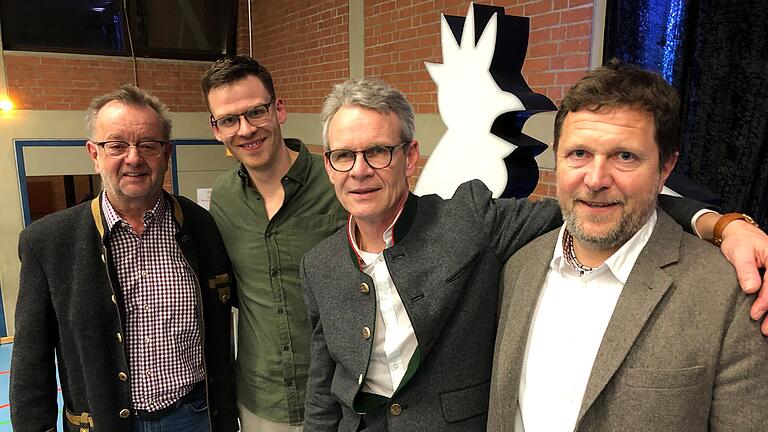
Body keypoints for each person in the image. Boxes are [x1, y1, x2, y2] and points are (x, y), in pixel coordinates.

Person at [299, 78, 768, 431]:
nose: (359, 171)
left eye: (379, 152)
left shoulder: (471, 222)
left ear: (410, 156)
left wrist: (720, 223)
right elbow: (324, 382)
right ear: (329, 164)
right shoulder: (319, 264)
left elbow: (593, 205)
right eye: (344, 155)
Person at [487, 62, 768, 431]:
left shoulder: (729, 293)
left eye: (625, 157)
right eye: (579, 154)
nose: (596, 179)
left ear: (666, 167)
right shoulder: (518, 267)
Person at [10, 85, 238, 431]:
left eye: (148, 145)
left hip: (194, 417)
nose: (134, 158)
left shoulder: (201, 226)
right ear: (94, 153)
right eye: (116, 145)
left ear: (167, 153)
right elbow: (31, 364)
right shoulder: (48, 243)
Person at [201, 56, 346, 431]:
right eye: (229, 120)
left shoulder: (337, 182)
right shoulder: (223, 198)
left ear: (278, 109)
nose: (245, 129)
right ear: (216, 129)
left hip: (341, 393)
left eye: (256, 112)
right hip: (260, 401)